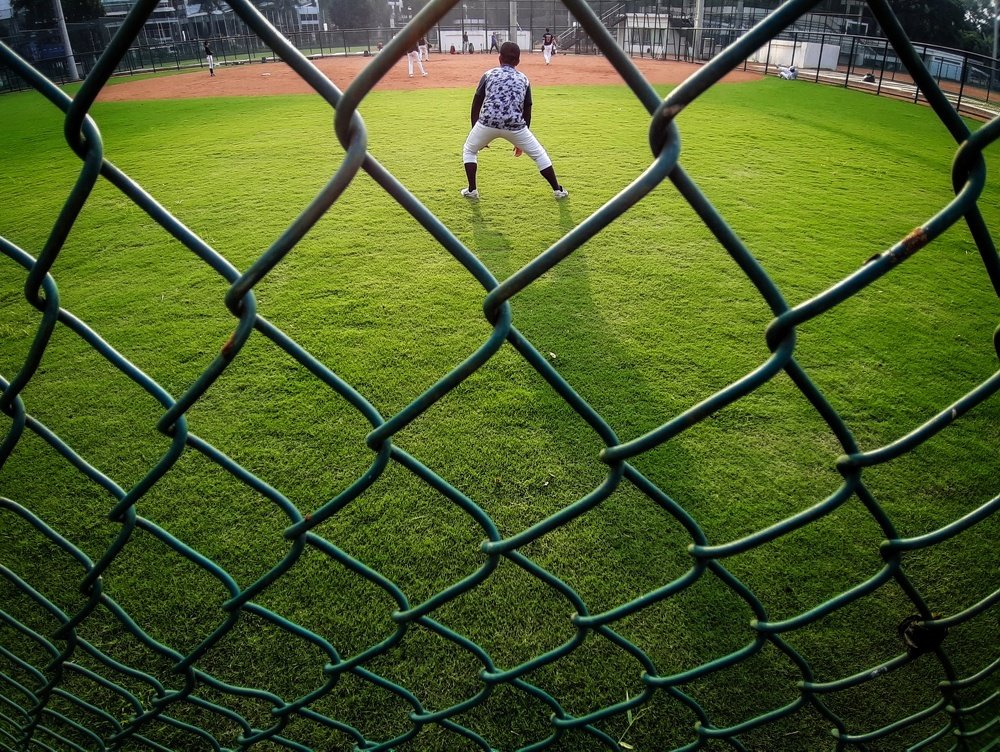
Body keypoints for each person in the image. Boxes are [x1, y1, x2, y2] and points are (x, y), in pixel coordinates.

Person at [461, 41, 567, 200]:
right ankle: (558, 190)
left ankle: (472, 190)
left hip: (487, 123)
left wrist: (475, 129)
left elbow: (477, 102)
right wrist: (521, 140)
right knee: (539, 155)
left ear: (499, 58)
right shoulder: (524, 79)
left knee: (469, 150)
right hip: (516, 126)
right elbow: (528, 108)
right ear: (518, 61)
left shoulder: (489, 74)